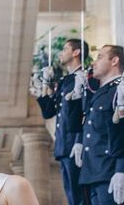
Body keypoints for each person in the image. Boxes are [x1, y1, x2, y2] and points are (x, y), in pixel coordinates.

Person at [73, 45, 124, 205]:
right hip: (92, 172)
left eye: (100, 57)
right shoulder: (99, 93)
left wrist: (122, 169)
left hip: (110, 172)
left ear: (115, 60)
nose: (94, 63)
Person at [35, 39, 87, 205]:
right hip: (64, 144)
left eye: (65, 49)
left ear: (76, 52)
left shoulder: (84, 78)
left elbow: (85, 113)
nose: (61, 53)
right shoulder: (66, 81)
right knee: (71, 194)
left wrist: (79, 141)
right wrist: (46, 83)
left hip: (75, 144)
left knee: (80, 196)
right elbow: (48, 111)